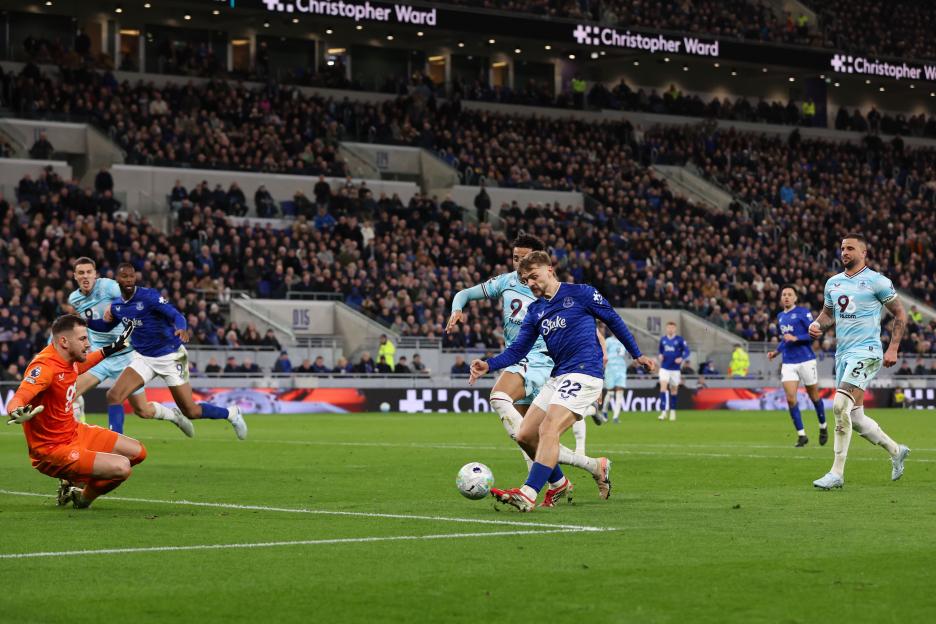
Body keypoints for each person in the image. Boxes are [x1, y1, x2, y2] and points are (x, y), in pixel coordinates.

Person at [469, 251, 656, 511]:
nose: (531, 283)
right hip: (558, 376)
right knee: (524, 435)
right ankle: (587, 471)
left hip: (585, 372)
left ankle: (528, 493)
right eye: (526, 280)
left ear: (550, 270)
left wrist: (638, 355)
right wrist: (488, 364)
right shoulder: (535, 311)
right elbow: (518, 351)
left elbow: (612, 318)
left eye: (534, 276)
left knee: (549, 429)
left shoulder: (581, 293)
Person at [448, 234, 598, 501]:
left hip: (542, 360)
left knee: (499, 396)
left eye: (526, 260)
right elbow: (464, 293)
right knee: (527, 438)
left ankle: (541, 487)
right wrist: (456, 309)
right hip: (517, 359)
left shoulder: (552, 290)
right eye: (516, 258)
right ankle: (577, 473)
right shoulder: (505, 282)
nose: (520, 264)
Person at [87, 263, 247, 440]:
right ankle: (115, 445)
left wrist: (181, 328)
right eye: (124, 276)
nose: (129, 280)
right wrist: (85, 320)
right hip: (144, 358)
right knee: (114, 396)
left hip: (169, 355)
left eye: (131, 276)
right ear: (117, 279)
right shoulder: (117, 306)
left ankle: (232, 413)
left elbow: (176, 315)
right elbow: (105, 326)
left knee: (190, 411)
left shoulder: (149, 297)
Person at [5, 314, 143, 509]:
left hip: (74, 432)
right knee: (121, 467)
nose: (88, 344)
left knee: (138, 453)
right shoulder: (44, 367)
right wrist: (16, 411)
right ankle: (83, 498)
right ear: (64, 341)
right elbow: (20, 396)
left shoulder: (68, 358)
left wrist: (111, 348)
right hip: (53, 449)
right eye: (83, 339)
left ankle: (74, 482)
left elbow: (82, 364)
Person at [808, 234, 910, 490]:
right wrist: (817, 324)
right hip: (843, 354)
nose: (845, 252)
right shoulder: (833, 283)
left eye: (850, 248)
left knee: (840, 405)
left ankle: (836, 473)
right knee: (857, 416)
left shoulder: (877, 281)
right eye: (842, 248)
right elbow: (829, 313)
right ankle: (896, 451)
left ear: (864, 253)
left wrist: (893, 347)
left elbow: (899, 313)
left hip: (867, 351)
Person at [68, 257, 192, 437]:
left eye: (89, 272)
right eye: (81, 273)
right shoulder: (74, 298)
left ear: (96, 275)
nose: (85, 276)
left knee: (143, 411)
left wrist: (114, 305)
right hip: (100, 356)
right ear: (75, 276)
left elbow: (130, 297)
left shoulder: (109, 286)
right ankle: (76, 437)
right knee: (69, 392)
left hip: (125, 355)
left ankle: (173, 415)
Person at [766, 284, 828, 447]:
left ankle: (823, 426)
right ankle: (802, 435)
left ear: (795, 298)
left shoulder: (802, 312)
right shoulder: (780, 316)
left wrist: (797, 338)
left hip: (806, 360)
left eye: (789, 294)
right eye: (784, 294)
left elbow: (813, 334)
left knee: (814, 396)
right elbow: (785, 339)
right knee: (790, 399)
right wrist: (776, 352)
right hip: (788, 362)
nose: (786, 296)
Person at [657, 322, 690, 421]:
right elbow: (660, 350)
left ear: (675, 329)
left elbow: (687, 351)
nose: (670, 329)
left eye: (672, 328)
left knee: (674, 390)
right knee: (663, 388)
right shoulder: (663, 340)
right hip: (664, 368)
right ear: (666, 329)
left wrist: (682, 358)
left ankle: (672, 411)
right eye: (669, 328)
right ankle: (663, 412)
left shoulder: (679, 340)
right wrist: (660, 355)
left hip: (675, 369)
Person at [601, 326, 629, 424]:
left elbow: (628, 354)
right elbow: (603, 354)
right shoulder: (608, 341)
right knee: (610, 393)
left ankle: (616, 417)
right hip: (610, 369)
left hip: (621, 369)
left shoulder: (624, 341)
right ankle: (604, 411)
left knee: (620, 393)